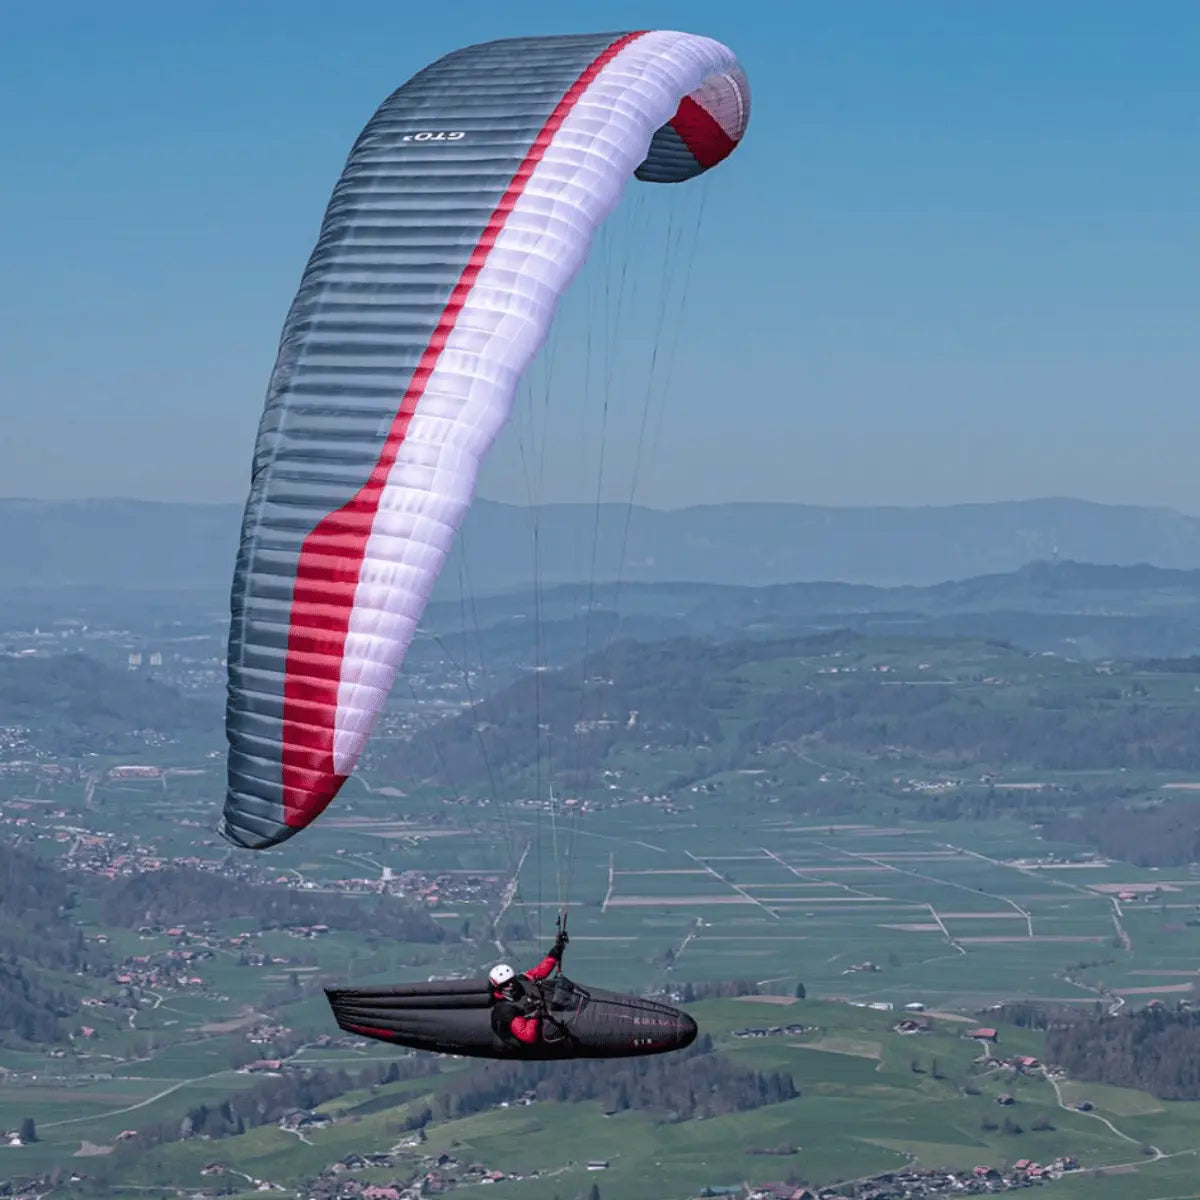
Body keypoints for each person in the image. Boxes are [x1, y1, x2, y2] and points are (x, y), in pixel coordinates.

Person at [489, 928, 569, 1046]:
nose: (511, 984)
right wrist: (533, 1016)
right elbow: (528, 1036)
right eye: (506, 984)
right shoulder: (505, 1010)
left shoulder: (522, 981)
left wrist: (556, 950)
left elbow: (540, 971)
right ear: (498, 988)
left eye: (511, 980)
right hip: (536, 1034)